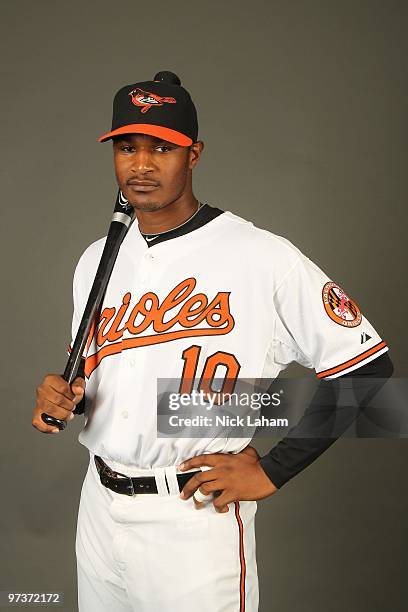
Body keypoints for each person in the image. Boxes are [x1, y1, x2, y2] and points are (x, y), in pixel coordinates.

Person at [32, 71, 394, 612]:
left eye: (163, 147)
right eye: (128, 147)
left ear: (193, 153)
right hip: (99, 508)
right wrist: (67, 396)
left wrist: (274, 469)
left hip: (194, 518)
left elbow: (370, 373)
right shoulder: (95, 259)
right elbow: (104, 375)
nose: (142, 164)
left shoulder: (260, 255)